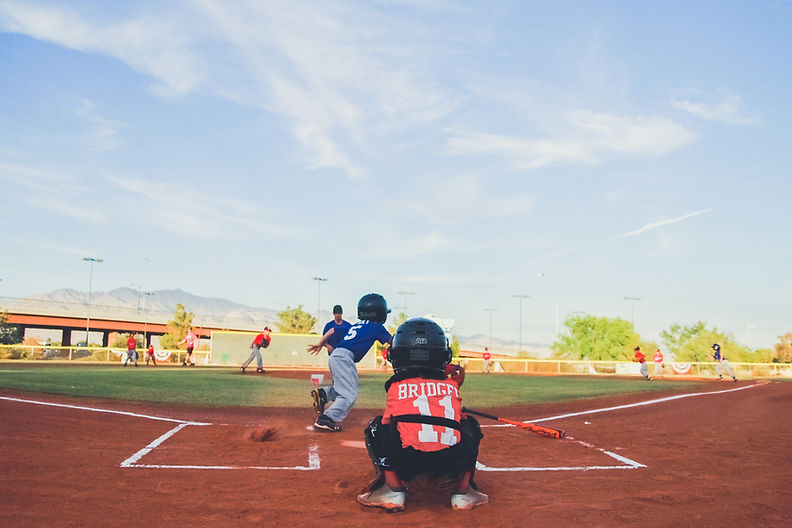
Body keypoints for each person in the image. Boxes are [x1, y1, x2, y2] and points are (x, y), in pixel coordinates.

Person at [356, 317, 487, 512]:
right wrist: (454, 383)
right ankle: (462, 493)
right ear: (443, 356)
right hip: (450, 462)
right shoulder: (452, 386)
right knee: (470, 424)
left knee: (377, 427)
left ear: (397, 355)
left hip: (408, 464)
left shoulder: (395, 387)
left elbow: (387, 423)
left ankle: (393, 490)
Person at [307, 293, 392, 432]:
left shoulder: (356, 325)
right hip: (344, 358)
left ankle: (324, 394)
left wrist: (320, 343)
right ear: (379, 313)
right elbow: (392, 341)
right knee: (349, 395)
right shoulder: (376, 326)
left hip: (336, 356)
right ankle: (326, 419)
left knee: (343, 389)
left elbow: (332, 330)